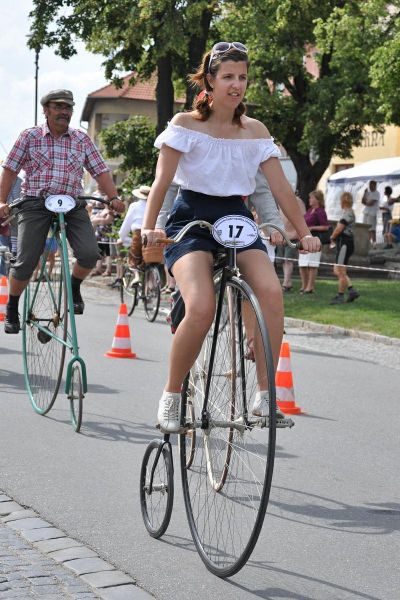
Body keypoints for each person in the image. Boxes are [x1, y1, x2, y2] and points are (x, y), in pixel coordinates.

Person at [141, 41, 320, 432]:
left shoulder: (255, 131)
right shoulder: (186, 125)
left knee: (271, 292)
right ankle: (172, 395)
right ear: (210, 81)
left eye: (242, 77)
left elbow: (280, 188)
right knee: (201, 306)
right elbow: (162, 181)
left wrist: (303, 232)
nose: (237, 85)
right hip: (190, 218)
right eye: (228, 77)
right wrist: (149, 227)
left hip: (235, 218)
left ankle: (265, 396)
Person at [0, 89, 124, 334]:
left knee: (90, 254)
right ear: (46, 110)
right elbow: (10, 170)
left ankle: (74, 286)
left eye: (68, 107)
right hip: (35, 203)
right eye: (58, 106)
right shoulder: (29, 136)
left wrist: (113, 198)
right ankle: (12, 306)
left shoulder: (81, 139)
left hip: (71, 204)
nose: (64, 112)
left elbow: (100, 171)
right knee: (25, 261)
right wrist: (1, 201)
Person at [329, 192, 360, 305]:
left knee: (340, 270)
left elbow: (339, 228)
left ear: (343, 201)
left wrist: (332, 237)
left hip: (344, 244)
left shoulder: (348, 213)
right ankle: (351, 290)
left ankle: (340, 296)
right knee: (338, 270)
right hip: (344, 244)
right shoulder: (349, 213)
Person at [117, 185, 151, 284]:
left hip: (138, 234)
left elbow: (127, 223)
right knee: (149, 260)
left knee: (133, 258)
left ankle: (136, 277)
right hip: (151, 233)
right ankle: (151, 285)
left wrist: (121, 236)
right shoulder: (154, 205)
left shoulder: (134, 206)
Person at [298, 189, 329, 294]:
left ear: (317, 199)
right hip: (305, 239)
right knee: (302, 263)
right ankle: (304, 285)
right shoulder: (309, 210)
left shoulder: (321, 211)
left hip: (315, 240)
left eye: (312, 198)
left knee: (312, 264)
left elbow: (325, 227)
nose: (310, 199)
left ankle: (310, 287)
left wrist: (312, 228)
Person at [275, 194, 306, 292]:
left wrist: (299, 234)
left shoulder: (298, 201)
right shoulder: (280, 199)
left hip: (293, 236)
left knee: (288, 260)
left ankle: (286, 283)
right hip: (283, 235)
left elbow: (303, 217)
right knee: (283, 261)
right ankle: (287, 282)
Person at [361, 180, 380, 246]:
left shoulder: (377, 193)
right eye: (369, 185)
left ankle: (374, 243)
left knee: (372, 229)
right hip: (366, 212)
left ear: (375, 185)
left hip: (372, 213)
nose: (370, 186)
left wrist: (366, 202)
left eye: (371, 185)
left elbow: (371, 203)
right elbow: (362, 201)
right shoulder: (368, 192)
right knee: (366, 228)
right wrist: (364, 193)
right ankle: (367, 243)